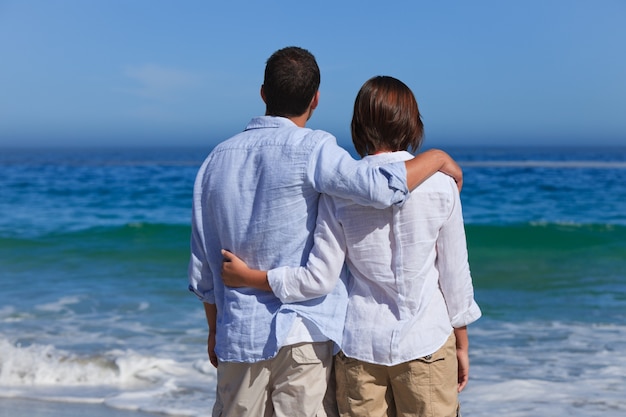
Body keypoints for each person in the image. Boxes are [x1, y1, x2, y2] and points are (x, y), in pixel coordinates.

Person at [188, 47, 463, 417]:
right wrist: (437, 158)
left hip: (242, 332)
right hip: (306, 330)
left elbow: (204, 264)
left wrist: (214, 328)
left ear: (263, 93)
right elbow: (380, 188)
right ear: (315, 99)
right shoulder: (315, 150)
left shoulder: (214, 161)